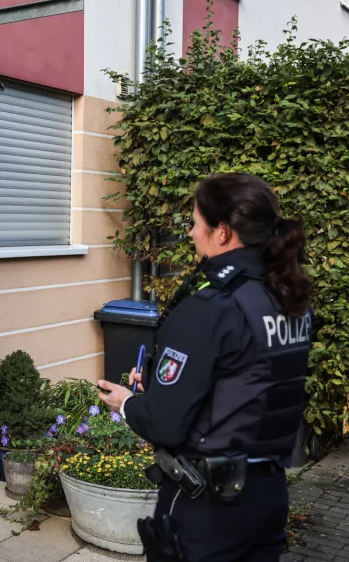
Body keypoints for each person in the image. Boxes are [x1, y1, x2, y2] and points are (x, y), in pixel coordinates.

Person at [97, 172, 314, 562]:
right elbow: (249, 383)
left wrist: (127, 403)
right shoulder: (287, 295)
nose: (191, 234)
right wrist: (161, 386)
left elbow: (166, 424)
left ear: (223, 233)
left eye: (195, 224)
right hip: (268, 497)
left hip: (209, 507)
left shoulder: (212, 306)